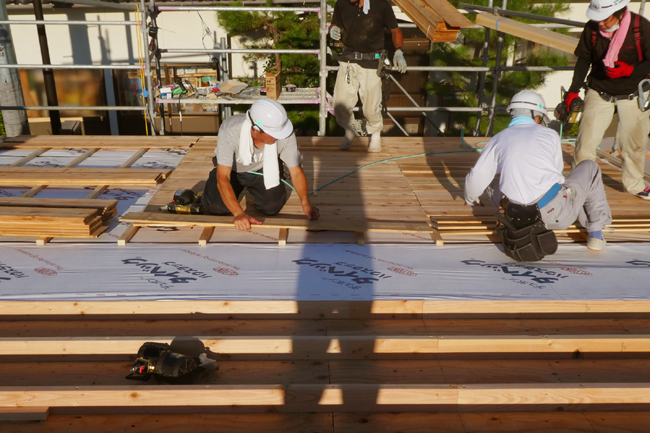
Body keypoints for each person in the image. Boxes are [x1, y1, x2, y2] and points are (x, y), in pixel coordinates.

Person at [465, 90, 613, 251]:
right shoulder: (550, 135)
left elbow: (477, 176)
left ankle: (506, 217)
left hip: (516, 216)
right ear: (536, 117)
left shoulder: (499, 138)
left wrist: (471, 198)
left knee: (493, 182)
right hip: (555, 215)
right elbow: (557, 173)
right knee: (589, 167)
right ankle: (596, 235)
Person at [566, 0, 650, 200]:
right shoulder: (592, 28)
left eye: (605, 19)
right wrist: (573, 91)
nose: (600, 23)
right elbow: (583, 60)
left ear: (620, 13)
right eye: (597, 19)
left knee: (634, 144)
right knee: (586, 141)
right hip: (599, 90)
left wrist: (630, 70)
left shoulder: (641, 27)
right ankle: (580, 183)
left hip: (633, 93)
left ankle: (635, 185)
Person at [201, 98, 319, 231]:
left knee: (272, 207)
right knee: (216, 207)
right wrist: (239, 214)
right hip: (232, 170)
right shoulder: (230, 130)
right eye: (272, 134)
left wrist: (306, 203)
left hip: (263, 169)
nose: (277, 138)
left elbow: (296, 171)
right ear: (255, 128)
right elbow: (223, 177)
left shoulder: (284, 132)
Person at [329, 0, 407, 153]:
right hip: (349, 60)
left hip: (371, 62)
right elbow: (335, 23)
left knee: (371, 106)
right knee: (340, 103)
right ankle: (349, 131)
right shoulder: (342, 3)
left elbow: (395, 30)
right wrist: (333, 29)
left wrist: (398, 51)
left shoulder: (381, 5)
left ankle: (375, 136)